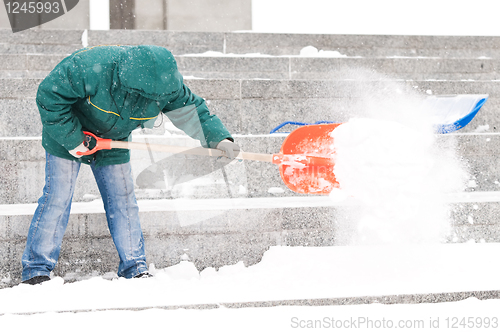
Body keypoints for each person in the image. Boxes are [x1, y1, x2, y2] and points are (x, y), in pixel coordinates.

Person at [21, 45, 240, 285]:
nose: (154, 102)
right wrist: (74, 139)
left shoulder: (166, 84)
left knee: (123, 201)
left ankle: (134, 267)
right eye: (145, 96)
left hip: (114, 141)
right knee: (57, 198)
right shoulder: (88, 67)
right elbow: (49, 96)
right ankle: (36, 270)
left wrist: (219, 138)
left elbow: (193, 111)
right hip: (67, 134)